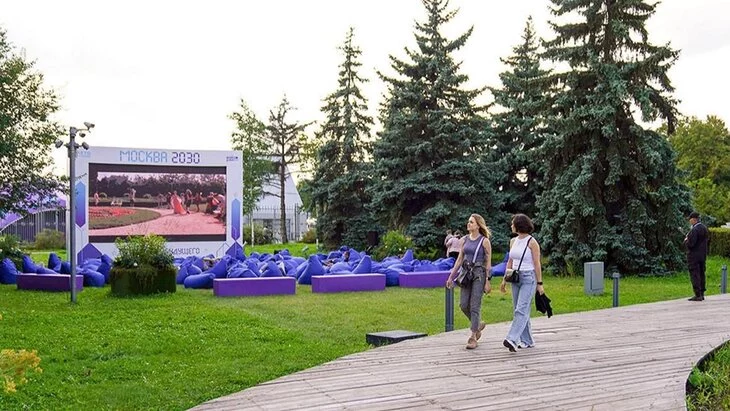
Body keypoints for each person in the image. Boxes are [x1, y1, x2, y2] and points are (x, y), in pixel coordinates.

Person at [446, 214, 492, 350]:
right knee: (463, 305)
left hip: (479, 275)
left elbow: (488, 263)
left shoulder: (484, 241)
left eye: (471, 222)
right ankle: (477, 325)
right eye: (468, 222)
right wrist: (451, 277)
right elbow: (460, 259)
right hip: (466, 274)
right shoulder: (464, 240)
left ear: (478, 225)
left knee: (474, 306)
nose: (468, 224)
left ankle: (473, 336)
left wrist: (487, 280)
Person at [501, 214, 544, 352]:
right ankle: (527, 341)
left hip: (528, 278)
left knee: (521, 309)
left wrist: (540, 283)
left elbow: (537, 263)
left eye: (513, 223)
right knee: (519, 310)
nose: (511, 225)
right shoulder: (513, 241)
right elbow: (510, 261)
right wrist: (504, 279)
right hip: (515, 278)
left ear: (519, 225)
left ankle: (512, 339)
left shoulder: (532, 242)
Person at [684, 211, 709, 301]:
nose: (689, 221)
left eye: (690, 219)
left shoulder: (694, 230)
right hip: (702, 255)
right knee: (701, 273)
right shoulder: (704, 228)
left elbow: (691, 244)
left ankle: (697, 294)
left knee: (695, 274)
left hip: (693, 256)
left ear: (694, 219)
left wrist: (686, 240)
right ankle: (702, 293)